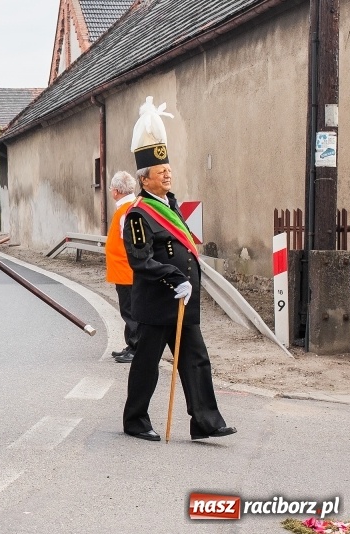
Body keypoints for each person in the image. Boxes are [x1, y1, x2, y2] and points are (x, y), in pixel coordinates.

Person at [122, 97, 236, 442]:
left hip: (183, 303)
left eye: (169, 169)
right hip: (158, 303)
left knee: (196, 361)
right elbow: (139, 260)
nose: (168, 174)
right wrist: (174, 277)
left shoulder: (170, 205)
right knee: (146, 366)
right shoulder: (139, 214)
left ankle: (205, 420)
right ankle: (136, 420)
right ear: (146, 178)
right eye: (161, 171)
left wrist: (186, 281)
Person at [106, 171, 138, 364]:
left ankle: (136, 348)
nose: (111, 191)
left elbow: (130, 242)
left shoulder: (126, 210)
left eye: (111, 188)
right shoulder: (130, 207)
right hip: (126, 270)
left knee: (130, 311)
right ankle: (131, 344)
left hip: (126, 270)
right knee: (129, 310)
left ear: (116, 191)